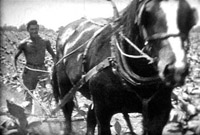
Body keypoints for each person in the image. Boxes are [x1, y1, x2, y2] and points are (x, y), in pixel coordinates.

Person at [14, 20, 55, 113]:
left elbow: (53, 55)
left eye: (36, 29)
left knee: (48, 92)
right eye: (32, 29)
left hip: (43, 71)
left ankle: (46, 117)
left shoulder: (45, 41)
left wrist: (55, 68)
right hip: (29, 72)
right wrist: (15, 71)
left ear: (38, 29)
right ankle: (28, 119)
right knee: (28, 96)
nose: (34, 31)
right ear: (28, 30)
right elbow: (14, 58)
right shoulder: (24, 43)